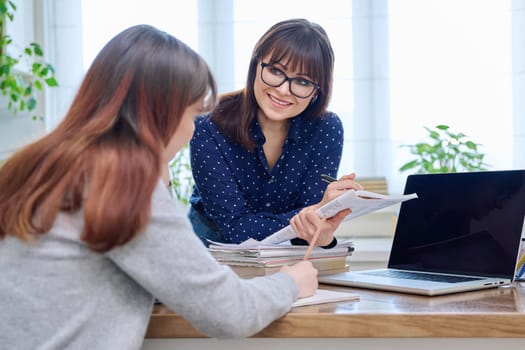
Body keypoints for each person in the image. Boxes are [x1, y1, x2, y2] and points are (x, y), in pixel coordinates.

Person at [0, 25, 321, 349]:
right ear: (162, 114)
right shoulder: (122, 184)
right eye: (194, 113)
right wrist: (292, 282)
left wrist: (158, 165)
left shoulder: (45, 164)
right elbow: (231, 312)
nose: (194, 130)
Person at [189, 18, 362, 246]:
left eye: (302, 81)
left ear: (317, 92)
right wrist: (312, 215)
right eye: (275, 71)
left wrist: (322, 217)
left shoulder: (326, 129)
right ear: (255, 65)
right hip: (212, 253)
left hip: (283, 256)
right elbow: (234, 228)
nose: (283, 90)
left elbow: (310, 226)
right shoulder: (209, 124)